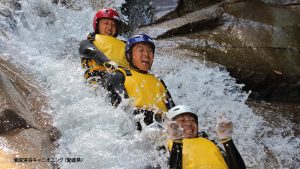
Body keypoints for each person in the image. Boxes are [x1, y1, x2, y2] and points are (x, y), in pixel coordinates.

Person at [104, 34, 175, 130]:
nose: (146, 54)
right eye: (140, 50)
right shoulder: (119, 75)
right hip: (138, 127)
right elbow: (120, 111)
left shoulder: (158, 81)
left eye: (150, 50)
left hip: (162, 126)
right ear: (129, 56)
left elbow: (174, 112)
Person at [164, 105, 246, 169]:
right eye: (182, 120)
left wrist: (227, 139)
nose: (189, 123)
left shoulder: (209, 143)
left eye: (192, 120)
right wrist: (177, 141)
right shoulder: (165, 146)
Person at [79, 8, 129, 84]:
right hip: (99, 77)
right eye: (106, 23)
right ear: (97, 25)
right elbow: (87, 50)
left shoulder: (125, 44)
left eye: (113, 25)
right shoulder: (89, 41)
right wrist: (107, 62)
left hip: (125, 78)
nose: (109, 27)